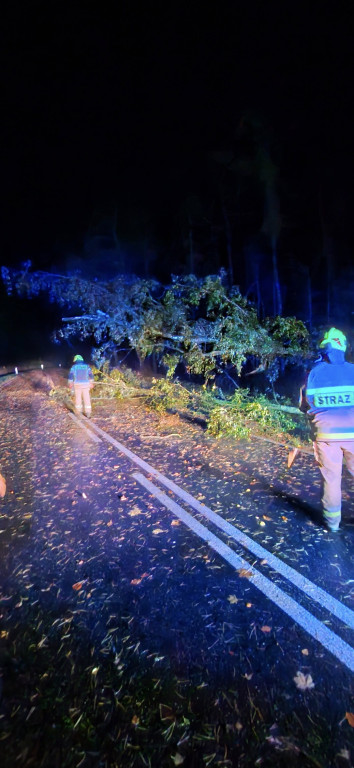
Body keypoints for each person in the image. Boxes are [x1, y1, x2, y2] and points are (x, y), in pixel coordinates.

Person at [300, 327, 354, 531]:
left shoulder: (313, 372)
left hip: (325, 435)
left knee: (331, 480)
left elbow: (304, 405)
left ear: (324, 348)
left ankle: (332, 524)